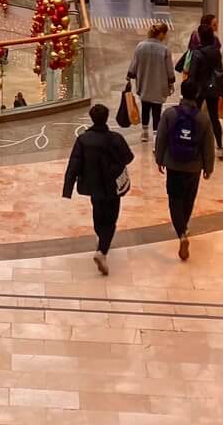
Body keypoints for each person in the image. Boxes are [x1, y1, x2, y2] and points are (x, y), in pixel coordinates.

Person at [63, 101, 133, 276]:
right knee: (111, 219)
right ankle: (102, 250)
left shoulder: (83, 140)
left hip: (93, 186)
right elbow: (128, 157)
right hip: (111, 186)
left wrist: (67, 188)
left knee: (98, 214)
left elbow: (74, 164)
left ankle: (101, 241)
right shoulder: (115, 138)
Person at [154, 75, 216, 259]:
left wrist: (160, 159)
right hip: (194, 166)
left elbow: (162, 138)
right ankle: (184, 228)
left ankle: (181, 233)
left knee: (175, 199)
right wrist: (208, 167)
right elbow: (208, 144)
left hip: (174, 164)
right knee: (188, 199)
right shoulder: (203, 118)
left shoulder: (169, 114)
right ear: (197, 94)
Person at [126, 23, 175, 144]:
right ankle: (155, 135)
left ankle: (144, 132)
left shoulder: (140, 46)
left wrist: (130, 75)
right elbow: (169, 69)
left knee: (145, 108)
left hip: (144, 82)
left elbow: (134, 64)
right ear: (161, 34)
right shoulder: (164, 49)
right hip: (159, 84)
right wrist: (171, 81)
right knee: (157, 110)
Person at [196, 13, 223, 159]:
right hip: (212, 87)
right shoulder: (216, 53)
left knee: (194, 115)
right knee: (214, 117)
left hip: (199, 88)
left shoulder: (197, 53)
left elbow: (193, 71)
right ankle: (219, 146)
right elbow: (220, 70)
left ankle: (195, 142)